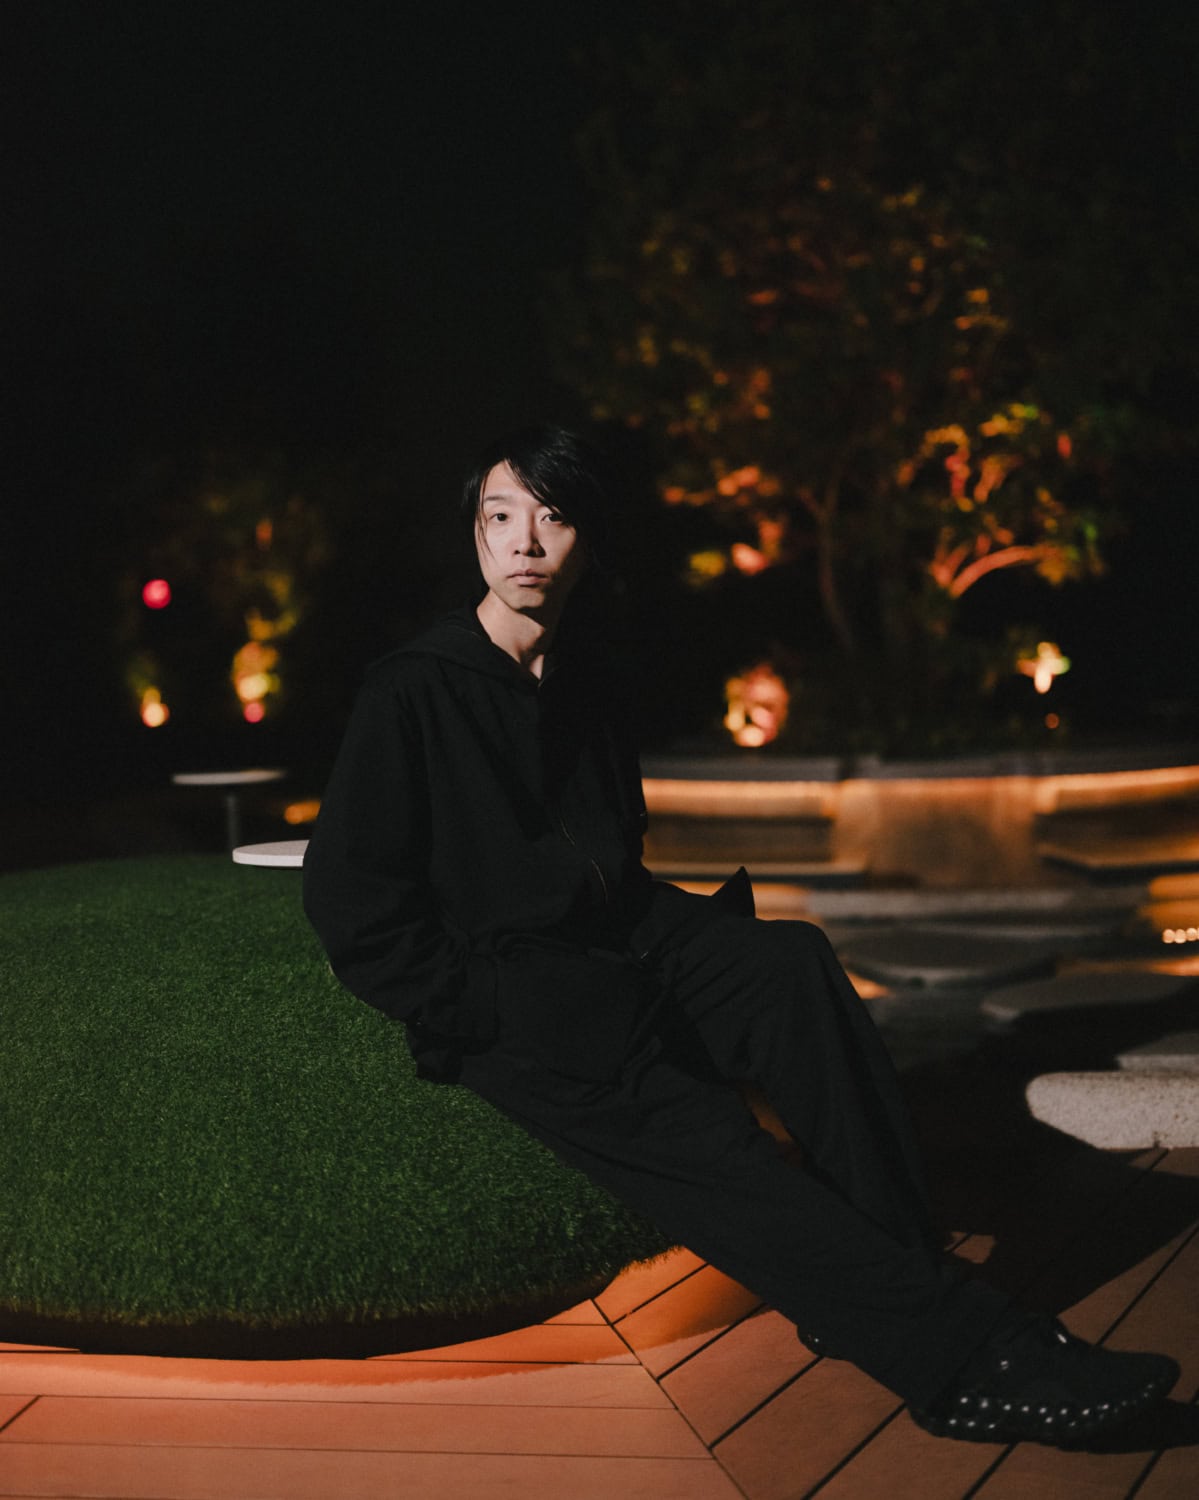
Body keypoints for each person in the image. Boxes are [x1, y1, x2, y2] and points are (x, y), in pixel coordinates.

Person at [302, 424, 1178, 1446]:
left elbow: (607, 849)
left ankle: (893, 1273)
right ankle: (972, 1363)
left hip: (623, 936)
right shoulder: (412, 689)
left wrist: (670, 936)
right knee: (717, 1146)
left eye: (553, 517)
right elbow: (354, 909)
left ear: (586, 539)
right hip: (525, 995)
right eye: (500, 518)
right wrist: (491, 1002)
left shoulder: (581, 672)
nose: (524, 542)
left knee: (789, 963)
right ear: (475, 537)